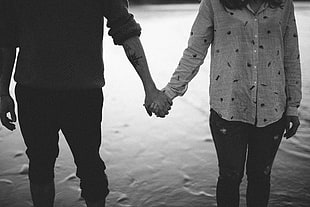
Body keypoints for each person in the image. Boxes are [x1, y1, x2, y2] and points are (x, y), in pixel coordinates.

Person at [0, 0, 171, 206]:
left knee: (90, 166)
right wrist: (2, 93)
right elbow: (6, 38)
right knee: (40, 165)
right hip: (33, 92)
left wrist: (149, 87)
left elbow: (125, 28)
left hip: (82, 95)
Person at [149, 0, 302, 206]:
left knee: (261, 177)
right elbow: (194, 52)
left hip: (273, 109)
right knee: (230, 176)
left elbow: (291, 56)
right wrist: (168, 93)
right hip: (228, 109)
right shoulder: (214, 3)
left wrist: (293, 106)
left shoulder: (283, 5)